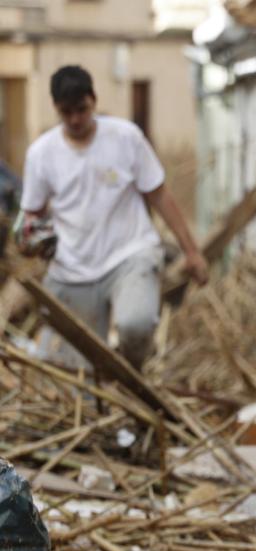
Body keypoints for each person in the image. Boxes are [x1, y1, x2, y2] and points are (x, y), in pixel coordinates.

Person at [21, 66, 208, 370]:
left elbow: (159, 195)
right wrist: (30, 239)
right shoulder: (42, 154)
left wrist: (192, 251)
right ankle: (102, 392)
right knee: (72, 367)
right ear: (56, 108)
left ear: (93, 100)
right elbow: (32, 214)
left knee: (136, 325)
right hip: (72, 269)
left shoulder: (125, 138)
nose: (75, 120)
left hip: (129, 255)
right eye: (66, 112)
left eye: (81, 109)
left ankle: (131, 373)